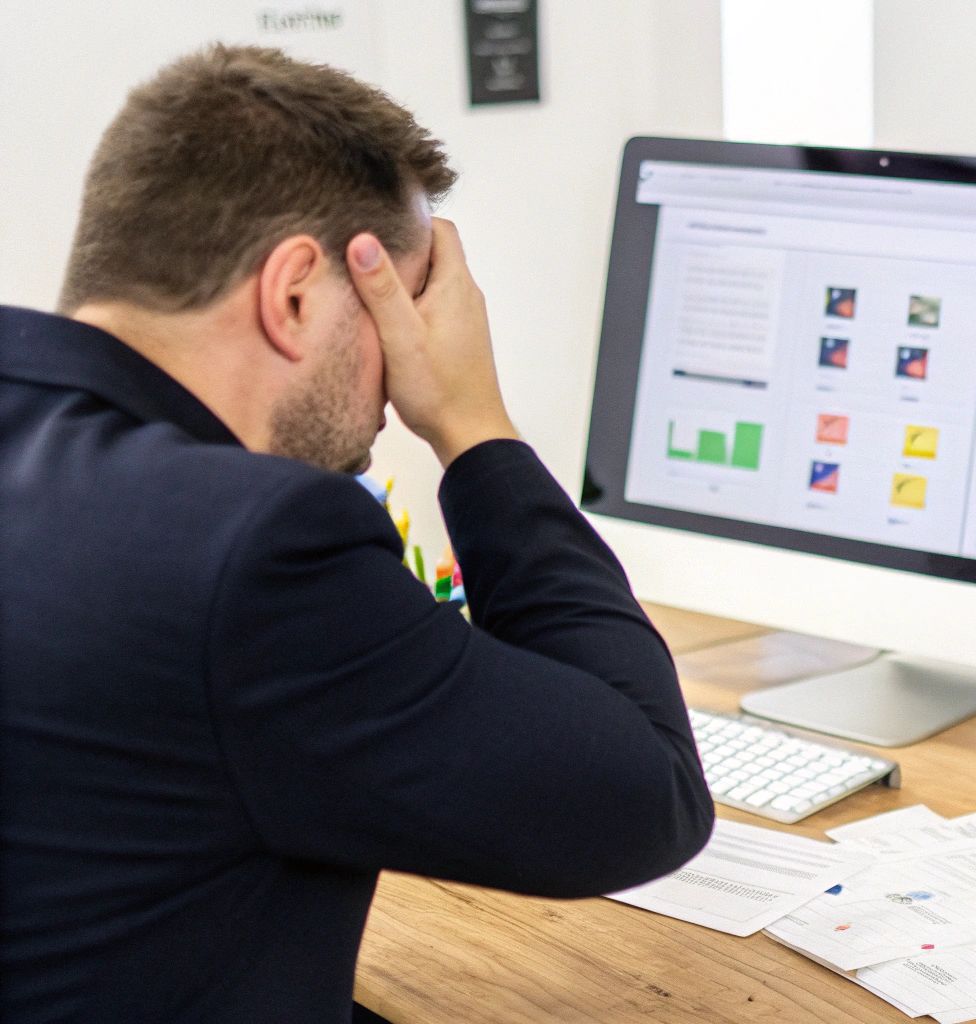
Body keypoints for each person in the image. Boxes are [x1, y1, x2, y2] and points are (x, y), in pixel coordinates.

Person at [0, 44, 713, 1022]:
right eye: (406, 307)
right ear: (295, 293)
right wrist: (474, 424)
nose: (408, 364)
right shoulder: (250, 552)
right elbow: (648, 794)